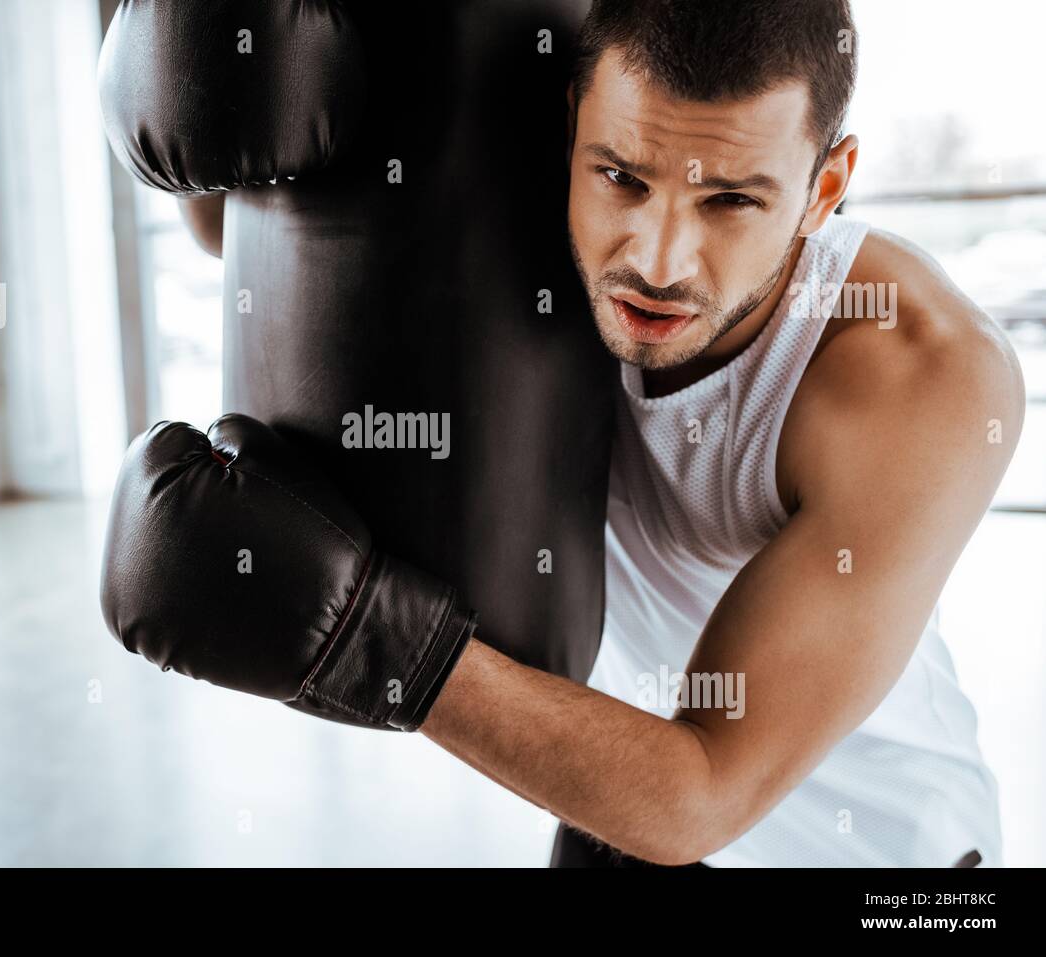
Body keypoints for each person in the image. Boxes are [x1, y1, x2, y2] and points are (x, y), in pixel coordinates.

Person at [102, 0, 1024, 868]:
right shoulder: (541, 201)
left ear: (825, 189)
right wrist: (204, 64)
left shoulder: (919, 373)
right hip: (625, 802)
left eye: (731, 202)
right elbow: (256, 218)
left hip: (878, 865)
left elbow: (701, 788)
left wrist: (365, 639)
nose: (657, 262)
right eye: (623, 177)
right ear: (574, 124)